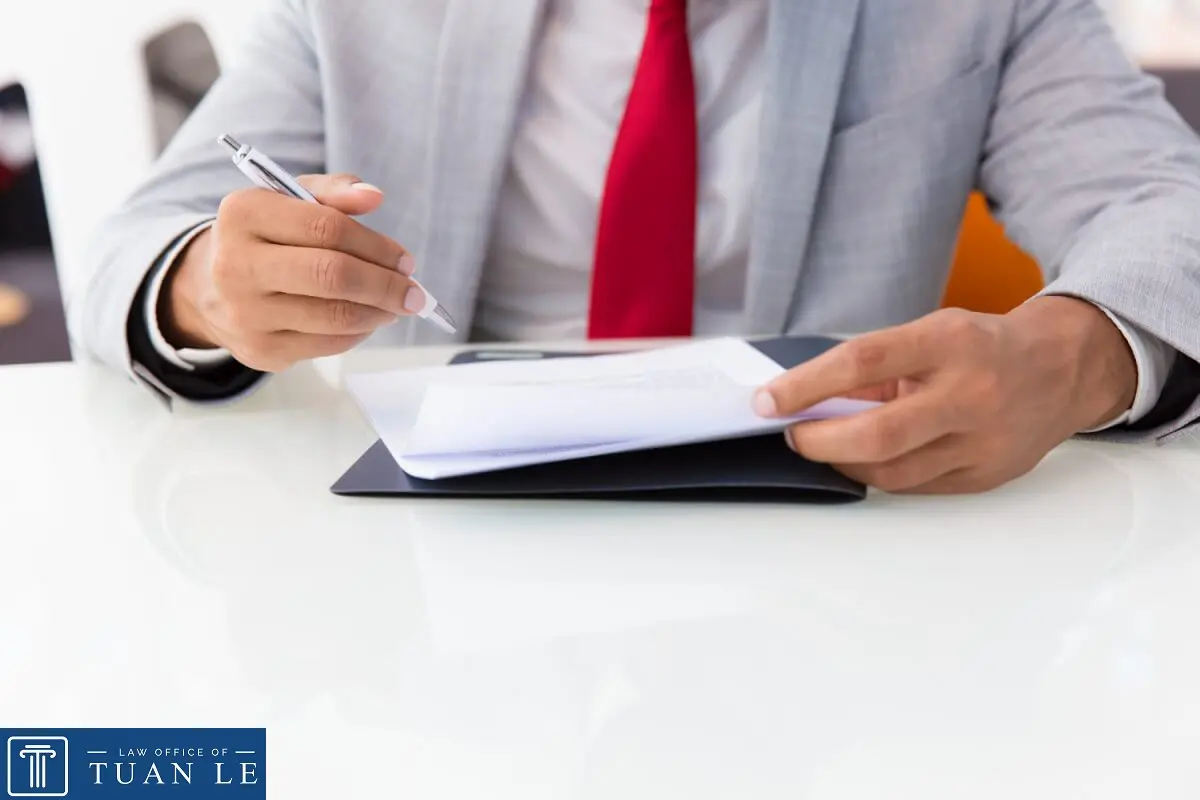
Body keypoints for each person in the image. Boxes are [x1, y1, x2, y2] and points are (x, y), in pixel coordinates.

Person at [72, 0, 1200, 495]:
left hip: (840, 536)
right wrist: (210, 292)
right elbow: (134, 247)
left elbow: (1167, 207)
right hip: (445, 534)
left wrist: (1075, 355)